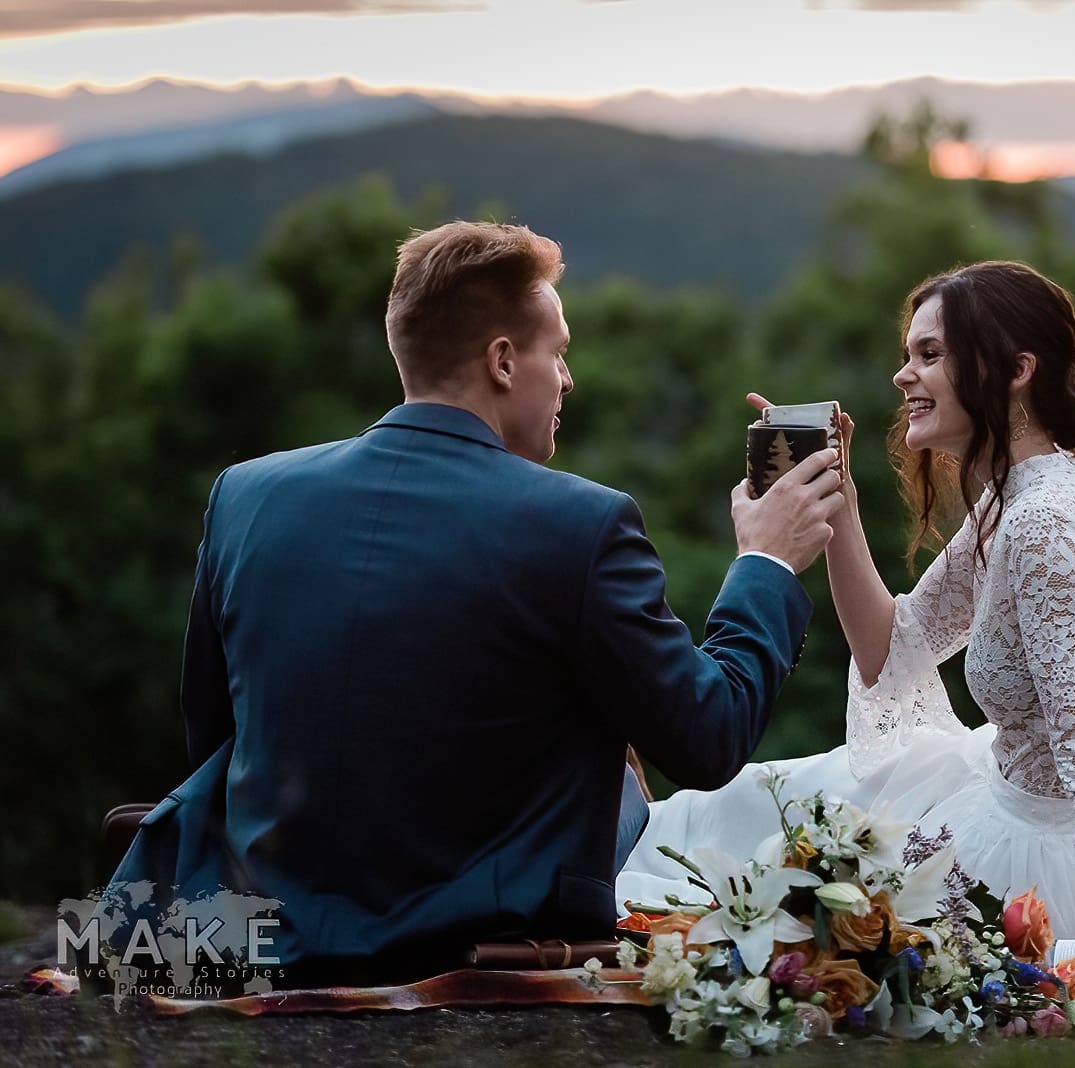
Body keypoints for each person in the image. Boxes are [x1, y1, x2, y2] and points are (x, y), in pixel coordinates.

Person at [109, 221, 845, 984]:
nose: (567, 379)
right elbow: (707, 736)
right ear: (501, 360)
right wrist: (766, 561)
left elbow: (214, 730)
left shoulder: (246, 494)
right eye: (556, 352)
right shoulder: (582, 523)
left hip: (269, 925)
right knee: (627, 784)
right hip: (471, 934)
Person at [618, 260, 1075, 960]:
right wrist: (840, 499)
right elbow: (895, 646)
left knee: (779, 907)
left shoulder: (1044, 525)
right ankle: (617, 831)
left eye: (929, 355)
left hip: (1053, 859)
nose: (902, 375)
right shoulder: (1019, 499)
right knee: (763, 798)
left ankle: (592, 857)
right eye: (906, 355)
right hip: (1012, 786)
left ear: (1016, 371)